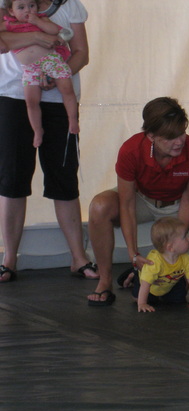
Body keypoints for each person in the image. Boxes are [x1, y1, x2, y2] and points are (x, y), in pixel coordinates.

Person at [0, 0, 97, 283]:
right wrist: (39, 37)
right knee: (12, 178)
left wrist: (55, 76)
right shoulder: (6, 3)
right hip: (13, 98)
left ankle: (78, 257)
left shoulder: (69, 6)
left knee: (63, 177)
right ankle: (9, 258)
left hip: (58, 99)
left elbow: (81, 53)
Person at [86, 97, 189, 306]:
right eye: (170, 137)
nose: (179, 141)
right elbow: (126, 204)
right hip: (141, 200)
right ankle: (106, 280)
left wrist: (175, 242)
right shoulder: (131, 150)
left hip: (177, 206)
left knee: (177, 286)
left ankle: (141, 273)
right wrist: (133, 253)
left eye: (181, 133)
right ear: (151, 136)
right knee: (100, 206)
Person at [1, 0, 78, 148]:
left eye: (32, 6)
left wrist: (38, 22)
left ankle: (72, 119)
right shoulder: (10, 25)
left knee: (67, 89)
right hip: (30, 68)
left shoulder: (42, 19)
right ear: (11, 11)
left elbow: (54, 30)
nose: (27, 11)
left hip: (51, 60)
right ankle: (37, 130)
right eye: (21, 8)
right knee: (31, 101)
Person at [132, 217, 189, 313]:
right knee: (138, 299)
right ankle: (134, 273)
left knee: (179, 300)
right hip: (150, 286)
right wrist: (142, 303)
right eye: (185, 237)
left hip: (169, 283)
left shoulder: (185, 258)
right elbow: (145, 284)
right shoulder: (154, 262)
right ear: (171, 247)